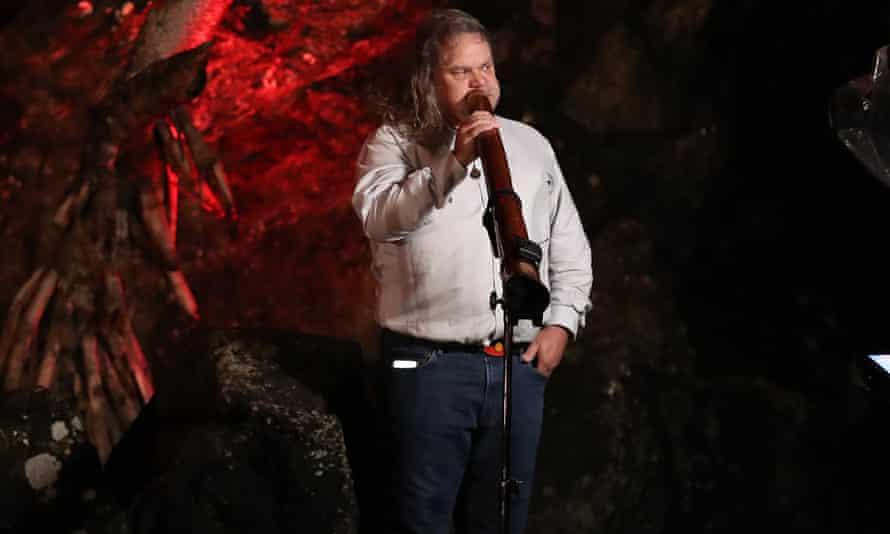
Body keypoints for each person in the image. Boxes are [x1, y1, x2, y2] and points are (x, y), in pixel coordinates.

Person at [352, 8, 592, 534]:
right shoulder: (394, 143)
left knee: (503, 521)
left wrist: (561, 324)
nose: (479, 82)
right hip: (425, 367)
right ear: (428, 80)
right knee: (419, 519)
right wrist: (451, 162)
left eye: (485, 68)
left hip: (516, 369)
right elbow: (380, 218)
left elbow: (570, 245)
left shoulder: (531, 147)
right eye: (461, 72)